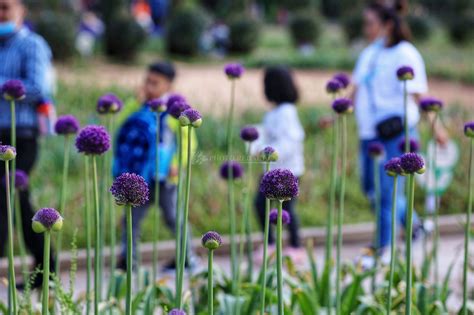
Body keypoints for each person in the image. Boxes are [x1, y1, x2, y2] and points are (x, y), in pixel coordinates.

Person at [352, 0, 428, 265]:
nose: (366, 29)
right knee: (369, 189)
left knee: (386, 192)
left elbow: (419, 95)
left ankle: (383, 250)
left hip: (396, 132)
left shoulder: (405, 53)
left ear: (387, 24)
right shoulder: (370, 53)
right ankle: (415, 225)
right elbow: (357, 87)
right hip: (368, 132)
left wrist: (437, 128)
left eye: (370, 23)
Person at [114, 61, 197, 271]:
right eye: (147, 81)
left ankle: (186, 258)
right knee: (131, 219)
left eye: (155, 83)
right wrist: (135, 102)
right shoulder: (139, 105)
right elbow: (123, 124)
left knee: (173, 218)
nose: (149, 87)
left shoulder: (176, 110)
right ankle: (128, 261)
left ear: (168, 85)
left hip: (166, 178)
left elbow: (189, 142)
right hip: (140, 174)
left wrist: (178, 163)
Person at [0, 0, 54, 288]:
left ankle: (47, 268)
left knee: (14, 197)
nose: (0, 13)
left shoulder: (32, 44)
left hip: (20, 133)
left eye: (5, 7)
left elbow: (37, 88)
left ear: (21, 11)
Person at [252, 66, 305, 261]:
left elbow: (291, 140)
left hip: (288, 170)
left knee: (286, 208)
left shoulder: (287, 112)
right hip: (271, 169)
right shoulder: (274, 112)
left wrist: (269, 151)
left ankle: (295, 246)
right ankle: (271, 243)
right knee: (260, 205)